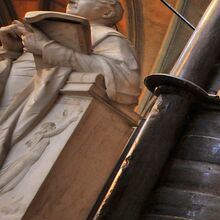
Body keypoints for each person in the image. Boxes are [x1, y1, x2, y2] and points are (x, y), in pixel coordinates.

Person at [0, 0, 139, 164]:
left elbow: (126, 83)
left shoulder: (109, 38)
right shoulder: (53, 31)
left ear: (107, 12)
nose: (71, 0)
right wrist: (11, 50)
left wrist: (47, 48)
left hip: (31, 106)